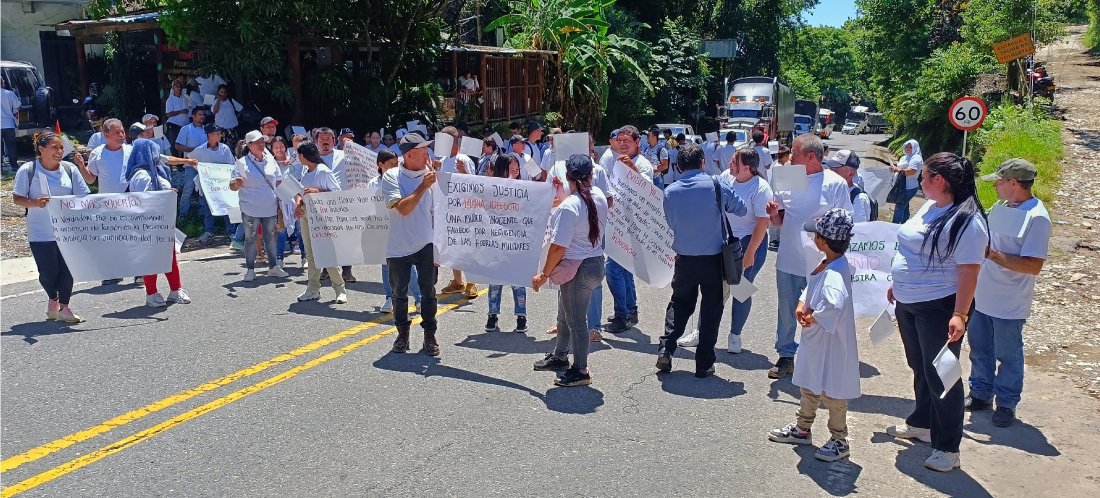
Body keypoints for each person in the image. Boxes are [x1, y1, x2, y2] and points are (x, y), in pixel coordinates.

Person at [886, 152, 988, 473]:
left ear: (938, 180)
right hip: (910, 302)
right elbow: (911, 248)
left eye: (924, 175)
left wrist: (960, 314)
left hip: (940, 307)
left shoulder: (968, 220)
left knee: (943, 375)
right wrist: (897, 283)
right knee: (919, 365)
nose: (919, 179)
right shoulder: (931, 206)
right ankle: (923, 423)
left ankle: (948, 447)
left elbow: (969, 271)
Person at [768, 208, 860, 463]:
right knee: (810, 383)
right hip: (819, 339)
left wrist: (814, 316)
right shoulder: (829, 263)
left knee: (832, 391)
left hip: (830, 341)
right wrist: (801, 303)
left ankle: (840, 440)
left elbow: (834, 303)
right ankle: (802, 428)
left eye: (815, 234)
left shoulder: (834, 272)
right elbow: (812, 287)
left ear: (823, 240)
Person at [966, 159, 1051, 428]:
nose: (995, 186)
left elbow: (1033, 265)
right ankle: (980, 394)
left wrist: (990, 253)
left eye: (999, 181)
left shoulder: (1037, 217)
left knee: (1008, 354)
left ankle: (1006, 403)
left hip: (1010, 302)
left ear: (1014, 183)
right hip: (982, 295)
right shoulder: (1001, 207)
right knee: (980, 349)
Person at [765, 133, 852, 379]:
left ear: (811, 157)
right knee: (787, 310)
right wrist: (773, 214)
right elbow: (781, 221)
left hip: (822, 264)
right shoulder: (789, 176)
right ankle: (785, 355)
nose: (790, 157)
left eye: (795, 152)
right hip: (789, 258)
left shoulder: (834, 183)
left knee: (819, 312)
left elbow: (846, 222)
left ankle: (818, 359)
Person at [656, 143, 746, 377]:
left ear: (678, 165)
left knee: (679, 304)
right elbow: (741, 209)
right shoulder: (717, 185)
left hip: (684, 259)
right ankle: (704, 363)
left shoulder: (670, 191)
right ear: (703, 163)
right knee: (711, 310)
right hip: (714, 260)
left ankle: (666, 349)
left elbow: (670, 221)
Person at [531, 154, 609, 386]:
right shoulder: (598, 196)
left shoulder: (569, 206)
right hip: (594, 263)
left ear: (567, 177)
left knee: (576, 321)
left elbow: (557, 247)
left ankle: (580, 370)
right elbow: (581, 210)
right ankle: (560, 356)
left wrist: (544, 274)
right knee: (565, 314)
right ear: (591, 175)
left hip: (577, 269)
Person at [12, 132, 91, 322]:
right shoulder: (28, 170)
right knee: (48, 272)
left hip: (67, 232)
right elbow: (17, 199)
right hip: (41, 232)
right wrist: (35, 203)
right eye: (55, 147)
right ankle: (53, 298)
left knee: (67, 270)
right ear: (41, 149)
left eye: (62, 147)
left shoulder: (70, 169)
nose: (60, 151)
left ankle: (64, 307)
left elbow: (84, 198)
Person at [384, 133, 442, 355]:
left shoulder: (431, 175)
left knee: (429, 292)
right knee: (399, 294)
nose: (428, 156)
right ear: (408, 155)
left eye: (428, 152)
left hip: (426, 243)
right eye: (423, 153)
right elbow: (403, 208)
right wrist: (423, 187)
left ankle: (430, 334)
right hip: (398, 246)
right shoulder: (391, 176)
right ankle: (402, 334)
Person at [709, 148, 771, 353]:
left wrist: (750, 252)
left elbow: (763, 222)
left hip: (749, 242)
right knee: (713, 288)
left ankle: (735, 335)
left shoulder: (761, 188)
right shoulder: (726, 177)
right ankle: (703, 331)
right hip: (725, 240)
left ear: (747, 168)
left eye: (734, 162)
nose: (729, 164)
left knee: (741, 290)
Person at [124, 139, 195, 306]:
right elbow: (143, 200)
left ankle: (175, 290)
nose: (158, 156)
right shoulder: (141, 175)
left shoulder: (156, 170)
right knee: (151, 259)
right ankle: (151, 294)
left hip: (163, 221)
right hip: (148, 225)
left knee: (169, 257)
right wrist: (166, 194)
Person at [603, 125, 654, 334]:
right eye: (620, 140)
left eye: (627, 140)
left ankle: (622, 315)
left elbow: (648, 189)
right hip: (617, 222)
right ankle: (630, 310)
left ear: (637, 142)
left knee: (613, 269)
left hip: (633, 225)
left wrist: (631, 168)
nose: (622, 143)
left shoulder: (642, 164)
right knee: (624, 269)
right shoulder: (615, 161)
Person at [79, 119, 137, 286]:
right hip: (108, 205)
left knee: (133, 237)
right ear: (105, 135)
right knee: (112, 240)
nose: (121, 135)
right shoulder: (97, 153)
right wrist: (81, 166)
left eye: (122, 131)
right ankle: (113, 272)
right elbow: (90, 179)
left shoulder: (131, 150)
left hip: (130, 201)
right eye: (116, 132)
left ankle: (140, 272)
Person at [230, 130, 290, 282]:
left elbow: (278, 181)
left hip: (270, 207)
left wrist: (291, 194)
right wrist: (236, 183)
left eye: (262, 140)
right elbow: (232, 186)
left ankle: (273, 267)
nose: (261, 143)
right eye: (257, 141)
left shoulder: (271, 160)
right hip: (250, 208)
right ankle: (250, 270)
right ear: (249, 145)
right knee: (250, 239)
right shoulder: (242, 163)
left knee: (270, 238)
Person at [292, 141, 347, 304]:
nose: (297, 157)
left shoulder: (323, 171)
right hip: (306, 216)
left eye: (298, 154)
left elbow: (337, 193)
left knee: (327, 254)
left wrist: (319, 191)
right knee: (311, 255)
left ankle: (340, 289)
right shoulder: (305, 170)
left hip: (323, 218)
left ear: (303, 155)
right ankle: (313, 289)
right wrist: (298, 204)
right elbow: (301, 192)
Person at [482, 153, 530, 333]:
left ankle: (521, 316)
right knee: (494, 281)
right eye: (511, 170)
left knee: (518, 281)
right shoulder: (491, 188)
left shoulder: (524, 188)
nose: (515, 173)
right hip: (496, 241)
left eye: (517, 170)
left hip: (516, 241)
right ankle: (492, 315)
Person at [372, 148, 423, 312]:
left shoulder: (401, 179)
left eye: (397, 164)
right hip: (381, 230)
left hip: (401, 227)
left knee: (409, 264)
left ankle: (419, 298)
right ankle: (390, 298)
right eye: (391, 164)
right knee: (385, 265)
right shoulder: (373, 183)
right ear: (381, 165)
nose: (395, 167)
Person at [314, 127, 355, 282]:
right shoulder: (312, 158)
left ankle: (347, 270)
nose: (325, 142)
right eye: (321, 139)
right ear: (316, 141)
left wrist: (352, 148)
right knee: (325, 238)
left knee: (345, 238)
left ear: (334, 141)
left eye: (328, 139)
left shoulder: (344, 156)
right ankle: (326, 269)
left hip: (343, 203)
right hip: (320, 205)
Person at [186, 123, 236, 243]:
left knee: (227, 208)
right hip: (208, 187)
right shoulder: (200, 150)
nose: (220, 135)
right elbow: (189, 160)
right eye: (217, 133)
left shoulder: (225, 149)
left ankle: (232, 232)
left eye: (220, 133)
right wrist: (200, 170)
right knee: (207, 209)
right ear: (210, 135)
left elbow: (232, 165)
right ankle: (209, 231)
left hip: (223, 185)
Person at [825, 150, 873, 223]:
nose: (831, 174)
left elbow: (859, 229)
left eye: (837, 171)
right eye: (831, 169)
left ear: (851, 174)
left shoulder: (858, 198)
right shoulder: (830, 190)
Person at [890, 139, 923, 223]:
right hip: (902, 185)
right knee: (905, 206)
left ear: (915, 147)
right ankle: (905, 223)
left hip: (909, 187)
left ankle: (894, 226)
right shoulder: (904, 157)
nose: (908, 148)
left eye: (910, 147)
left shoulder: (916, 158)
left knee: (900, 206)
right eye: (906, 147)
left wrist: (898, 170)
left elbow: (911, 171)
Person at [164, 79, 190, 153]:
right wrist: (181, 112)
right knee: (173, 143)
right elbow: (168, 114)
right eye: (176, 86)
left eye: (180, 86)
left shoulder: (184, 98)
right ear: (173, 88)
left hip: (184, 124)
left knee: (184, 143)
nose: (178, 88)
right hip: (174, 124)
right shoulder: (170, 100)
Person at [2, 77, 22, 171]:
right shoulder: (10, 94)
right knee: (11, 146)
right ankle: (14, 166)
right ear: (3, 82)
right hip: (8, 123)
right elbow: (18, 106)